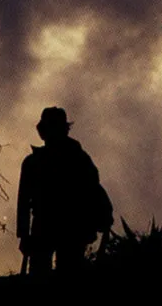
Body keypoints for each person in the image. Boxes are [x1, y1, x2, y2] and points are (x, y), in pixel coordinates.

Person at [17, 107, 112, 276]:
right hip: (55, 226)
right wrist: (24, 235)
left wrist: (24, 235)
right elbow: (23, 202)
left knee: (64, 273)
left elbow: (93, 190)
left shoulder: (76, 159)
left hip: (69, 226)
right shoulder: (77, 159)